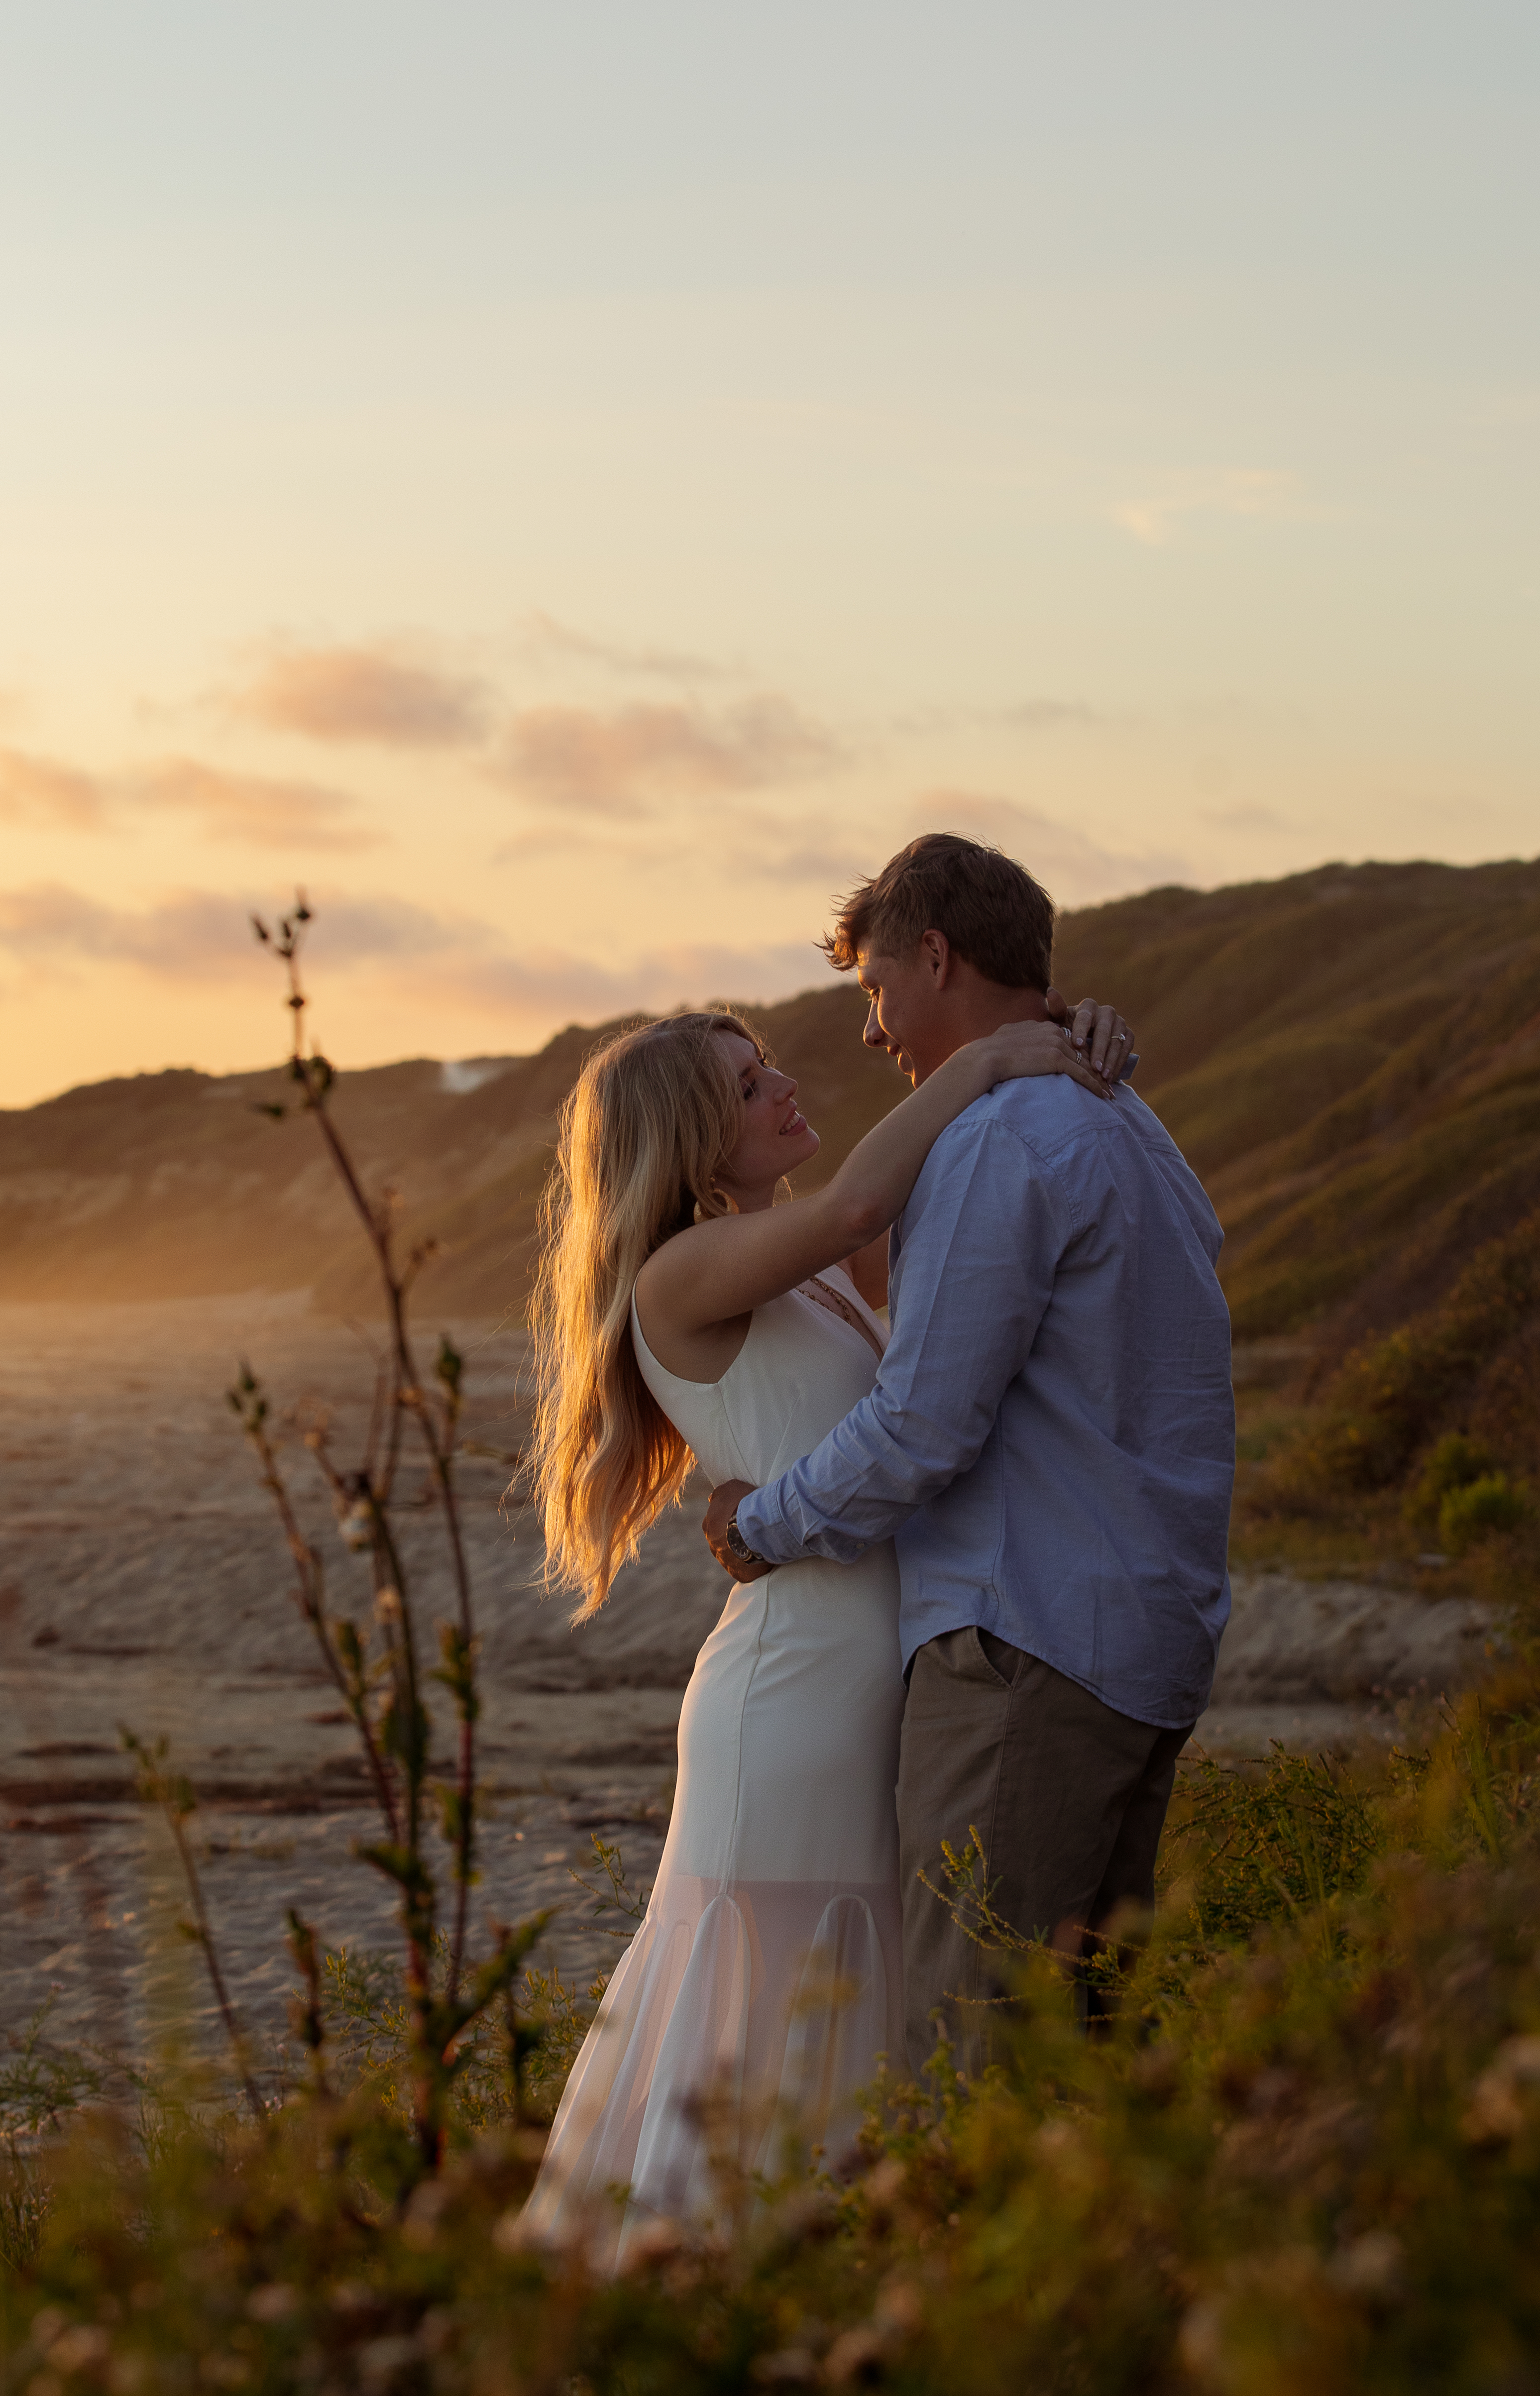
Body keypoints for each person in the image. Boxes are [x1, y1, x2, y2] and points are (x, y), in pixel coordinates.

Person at [512, 966, 1138, 2258]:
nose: (787, 1085)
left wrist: (1075, 1035)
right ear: (690, 1139)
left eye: (773, 1064)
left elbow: (959, 1236)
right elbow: (871, 1186)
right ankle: (692, 2306)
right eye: (751, 1085)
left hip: (874, 1679)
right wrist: (996, 1053)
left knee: (866, 1994)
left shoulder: (823, 1268)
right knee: (774, 2003)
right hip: (789, 1699)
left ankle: (816, 2296)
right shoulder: (682, 1279)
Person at [703, 834, 1235, 2070]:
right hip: (1136, 1640)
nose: (871, 1032)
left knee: (971, 2046)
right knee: (1087, 2046)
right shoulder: (1131, 1123)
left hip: (1024, 1645)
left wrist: (756, 1528)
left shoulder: (1004, 1141)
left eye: (876, 990)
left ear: (934, 956)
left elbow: (923, 1425)